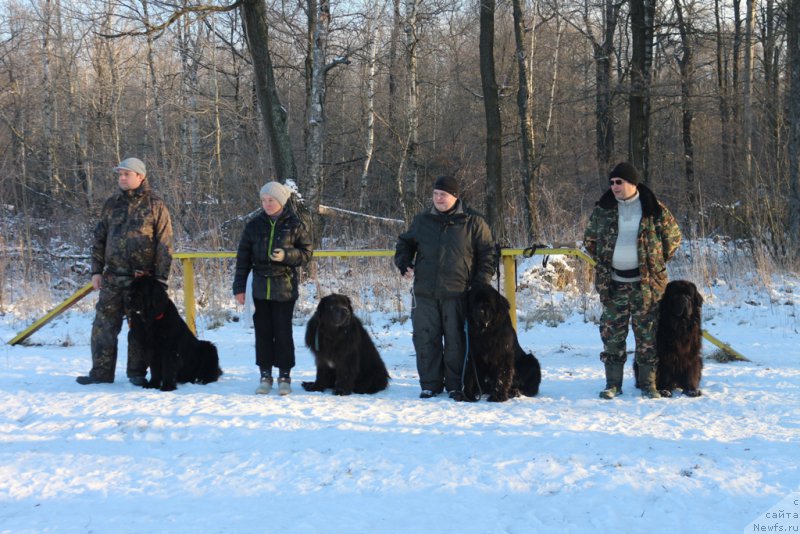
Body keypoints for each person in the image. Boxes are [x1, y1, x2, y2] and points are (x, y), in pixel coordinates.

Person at [583, 162, 682, 399]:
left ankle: (649, 385)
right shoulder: (604, 209)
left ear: (632, 183)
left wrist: (653, 263)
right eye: (612, 182)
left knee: (647, 336)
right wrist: (608, 261)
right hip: (614, 285)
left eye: (619, 182)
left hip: (645, 286)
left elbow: (673, 239)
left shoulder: (653, 209)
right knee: (612, 336)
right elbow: (590, 240)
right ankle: (613, 384)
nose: (614, 186)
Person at [394, 175, 496, 400]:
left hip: (459, 293)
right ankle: (430, 384)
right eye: (435, 194)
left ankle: (456, 384)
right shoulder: (422, 221)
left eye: (443, 195)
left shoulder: (473, 222)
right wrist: (404, 262)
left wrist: (480, 284)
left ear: (455, 196)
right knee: (425, 339)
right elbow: (404, 243)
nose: (438, 198)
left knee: (456, 341)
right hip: (425, 293)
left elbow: (488, 254)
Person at [77, 157, 174, 385]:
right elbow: (99, 238)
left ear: (140, 176)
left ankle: (137, 373)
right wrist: (96, 271)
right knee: (103, 326)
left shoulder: (155, 205)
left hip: (142, 280)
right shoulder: (111, 204)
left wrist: (159, 280)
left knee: (139, 328)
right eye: (119, 174)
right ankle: (101, 373)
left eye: (126, 174)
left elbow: (165, 244)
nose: (121, 178)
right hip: (112, 277)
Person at [233, 181, 313, 396]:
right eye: (264, 200)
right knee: (263, 333)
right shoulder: (253, 225)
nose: (267, 204)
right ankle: (265, 374)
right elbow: (242, 259)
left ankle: (284, 375)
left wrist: (287, 255)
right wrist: (239, 288)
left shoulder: (294, 224)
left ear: (281, 201)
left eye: (272, 200)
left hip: (284, 288)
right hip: (258, 288)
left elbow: (306, 254)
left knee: (283, 333)